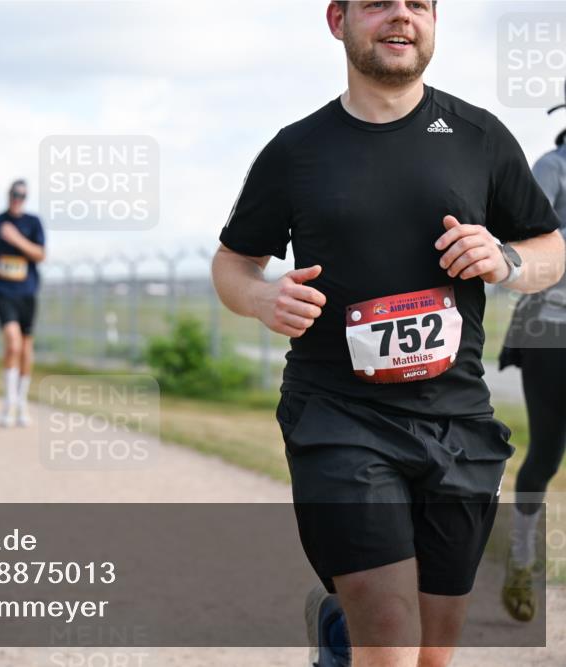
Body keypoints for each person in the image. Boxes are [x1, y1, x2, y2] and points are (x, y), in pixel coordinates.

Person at [210, 3, 565, 666]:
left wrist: (507, 259)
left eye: (420, 4)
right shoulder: (296, 151)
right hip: (338, 418)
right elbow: (233, 262)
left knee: (431, 655)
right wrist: (261, 297)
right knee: (393, 649)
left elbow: (549, 245)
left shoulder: (480, 137)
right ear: (338, 19)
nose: (402, 16)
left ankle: (337, 632)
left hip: (456, 421)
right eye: (379, 2)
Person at [498, 83, 566, 623]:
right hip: (551, 330)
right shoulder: (550, 167)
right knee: (546, 452)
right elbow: (527, 249)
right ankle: (521, 562)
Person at [0, 179, 46, 427]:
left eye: (23, 195)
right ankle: (9, 401)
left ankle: (23, 401)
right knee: (12, 343)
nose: (18, 198)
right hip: (4, 290)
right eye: (15, 194)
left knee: (26, 347)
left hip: (28, 290)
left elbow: (41, 255)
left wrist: (16, 240)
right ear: (8, 195)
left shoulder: (33, 223)